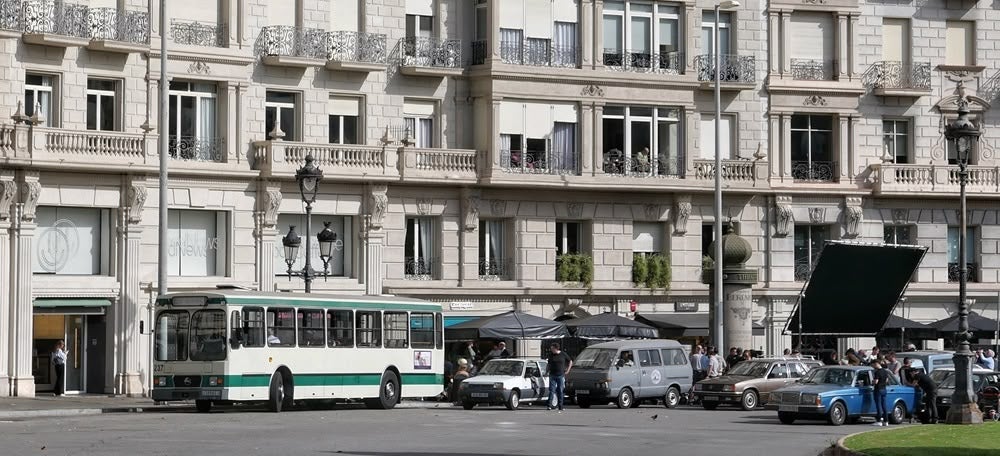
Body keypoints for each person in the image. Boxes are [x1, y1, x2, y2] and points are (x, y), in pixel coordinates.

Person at [547, 343, 573, 412]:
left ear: (556, 348)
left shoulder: (563, 354)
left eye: (552, 348)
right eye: (551, 349)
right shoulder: (551, 355)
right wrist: (547, 371)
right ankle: (549, 405)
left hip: (560, 375)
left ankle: (560, 406)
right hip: (552, 375)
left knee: (560, 390)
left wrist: (568, 370)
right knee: (551, 390)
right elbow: (549, 364)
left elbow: (570, 361)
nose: (551, 350)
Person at [872, 362, 891, 426]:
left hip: (878, 389)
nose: (873, 367)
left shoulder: (877, 372)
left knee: (878, 405)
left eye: (873, 365)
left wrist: (873, 382)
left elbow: (876, 381)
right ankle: (886, 421)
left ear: (876, 364)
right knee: (884, 405)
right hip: (884, 389)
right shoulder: (885, 371)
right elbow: (887, 380)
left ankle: (879, 420)